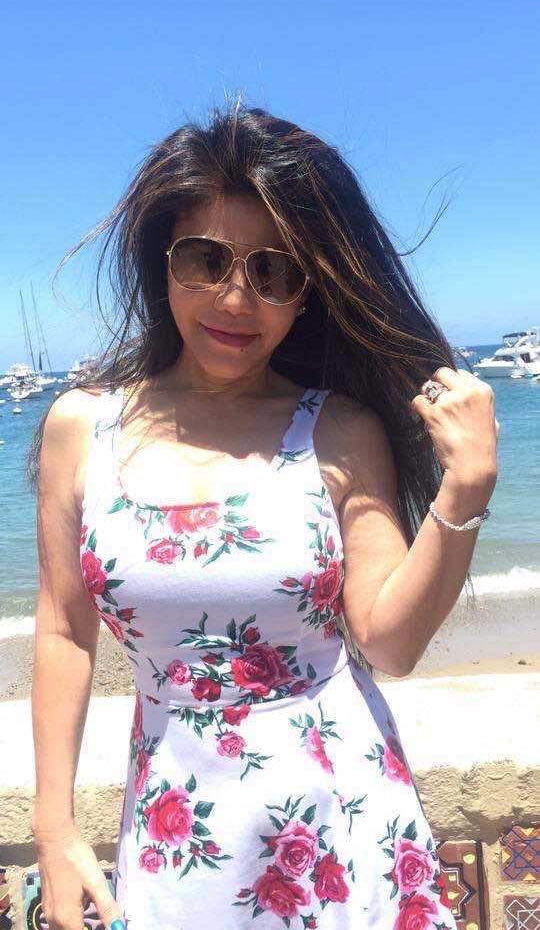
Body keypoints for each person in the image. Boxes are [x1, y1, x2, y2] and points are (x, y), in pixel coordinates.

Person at [27, 101, 498, 930]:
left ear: (307, 293)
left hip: (340, 818)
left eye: (275, 272)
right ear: (162, 261)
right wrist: (55, 828)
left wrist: (464, 493)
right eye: (205, 259)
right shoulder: (82, 428)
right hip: (180, 828)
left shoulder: (339, 430)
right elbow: (66, 629)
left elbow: (390, 643)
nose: (236, 296)